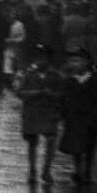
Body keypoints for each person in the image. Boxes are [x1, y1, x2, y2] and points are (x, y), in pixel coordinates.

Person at [58, 46, 97, 184]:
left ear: (87, 62)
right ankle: (78, 169)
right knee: (75, 146)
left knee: (90, 146)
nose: (75, 64)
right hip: (73, 119)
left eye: (78, 60)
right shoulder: (68, 82)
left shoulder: (95, 82)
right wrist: (63, 114)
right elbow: (63, 99)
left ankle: (88, 170)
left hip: (90, 119)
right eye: (72, 61)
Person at [15, 44, 65, 184]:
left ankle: (46, 170)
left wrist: (52, 95)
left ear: (49, 59)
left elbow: (62, 94)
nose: (40, 61)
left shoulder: (56, 76)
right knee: (32, 143)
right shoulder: (29, 75)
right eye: (38, 58)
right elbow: (19, 92)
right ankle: (32, 170)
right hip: (32, 113)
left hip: (49, 113)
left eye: (43, 58)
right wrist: (34, 93)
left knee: (51, 141)